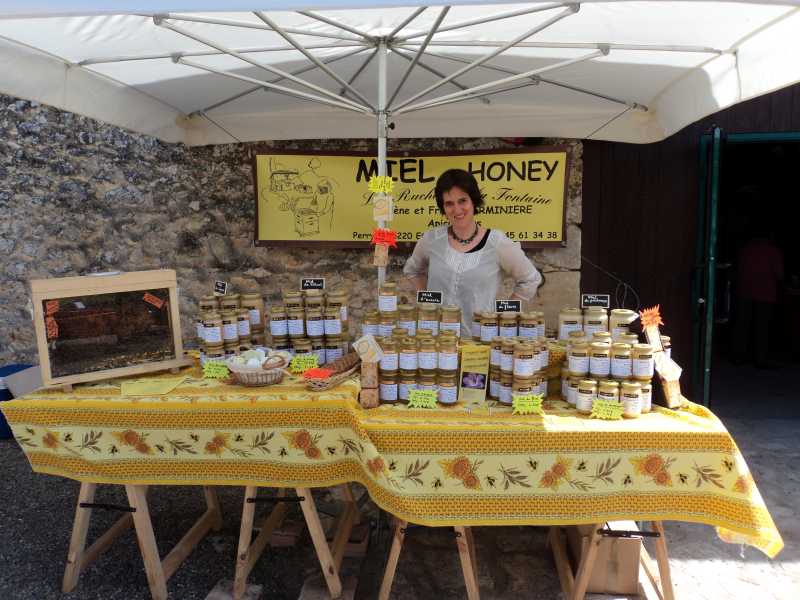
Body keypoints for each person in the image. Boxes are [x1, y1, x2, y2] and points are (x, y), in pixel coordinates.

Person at [402, 168, 542, 335]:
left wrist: (503, 316)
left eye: (462, 201)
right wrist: (428, 301)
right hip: (435, 340)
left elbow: (530, 279)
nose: (457, 209)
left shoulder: (497, 242)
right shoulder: (431, 239)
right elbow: (412, 270)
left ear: (473, 201)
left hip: (480, 340)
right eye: (449, 203)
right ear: (443, 208)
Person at [732, 227, 784, 367]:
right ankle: (760, 359)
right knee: (762, 328)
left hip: (745, 292)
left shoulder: (745, 250)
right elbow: (779, 274)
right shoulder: (773, 251)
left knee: (742, 326)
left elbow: (737, 270)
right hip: (765, 294)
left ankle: (739, 357)